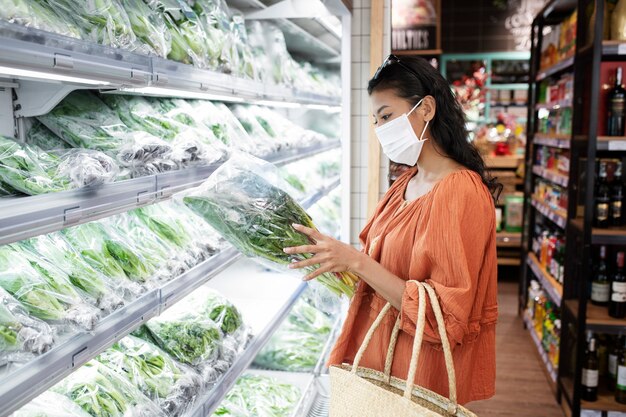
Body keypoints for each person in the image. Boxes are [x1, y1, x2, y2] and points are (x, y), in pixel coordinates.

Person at [284, 55, 499, 405]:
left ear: (426, 108)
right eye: (376, 120)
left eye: (387, 116)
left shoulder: (460, 192)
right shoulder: (407, 182)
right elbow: (387, 269)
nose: (381, 129)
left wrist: (356, 262)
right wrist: (330, 257)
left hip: (415, 376)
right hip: (380, 365)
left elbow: (444, 319)